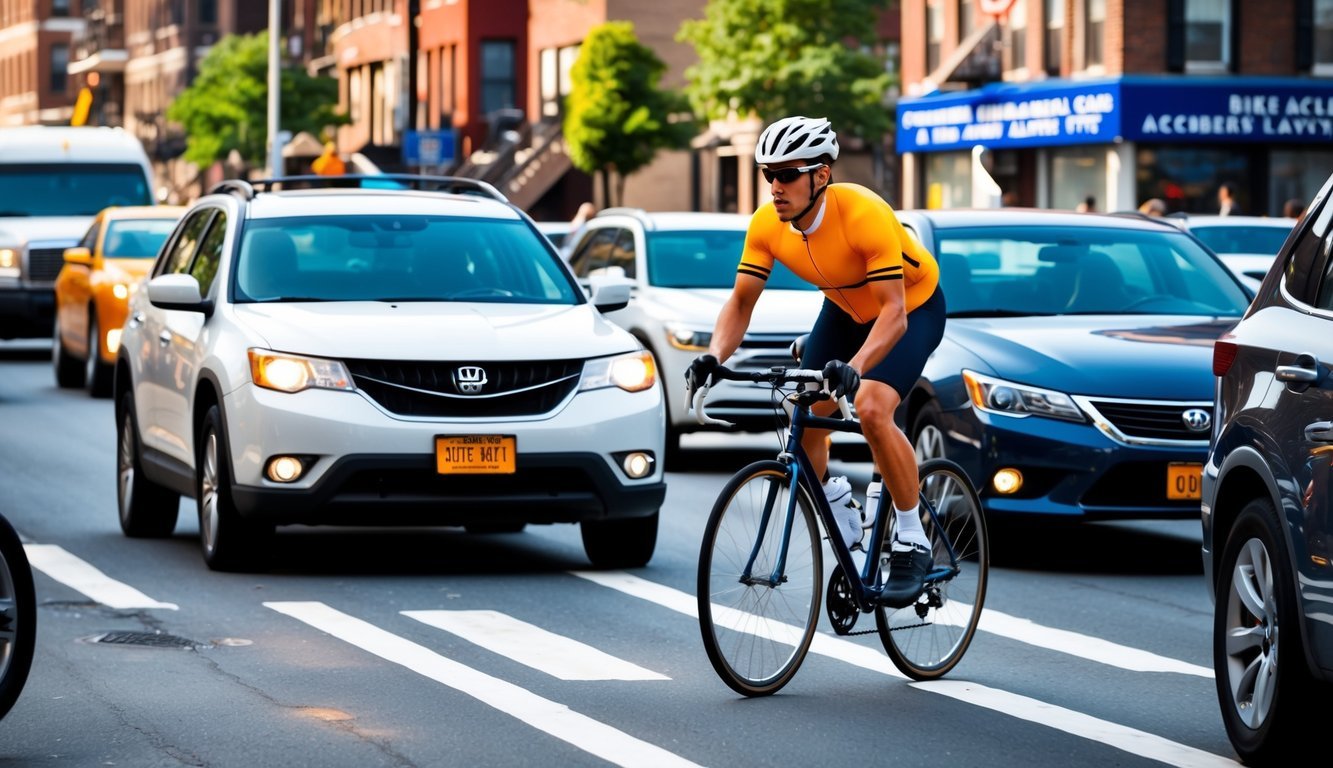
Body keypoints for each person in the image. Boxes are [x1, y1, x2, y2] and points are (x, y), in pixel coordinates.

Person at [683, 116, 947, 607]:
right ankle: (841, 510)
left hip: (912, 306)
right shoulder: (768, 224)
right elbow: (741, 303)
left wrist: (857, 366)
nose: (775, 187)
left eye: (787, 174)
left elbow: (893, 313)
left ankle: (912, 537)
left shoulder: (865, 213)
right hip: (844, 308)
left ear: (820, 175)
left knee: (870, 407)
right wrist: (713, 356)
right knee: (804, 422)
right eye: (768, 175)